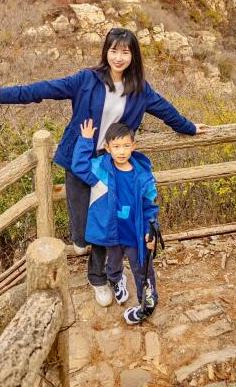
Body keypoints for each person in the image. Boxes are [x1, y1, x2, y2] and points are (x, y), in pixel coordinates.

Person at [0, 27, 208, 307]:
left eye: (125, 52)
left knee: (106, 223)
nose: (118, 57)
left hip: (110, 164)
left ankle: (98, 278)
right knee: (80, 230)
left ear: (133, 56)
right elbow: (44, 89)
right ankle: (82, 242)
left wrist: (189, 128)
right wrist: (3, 94)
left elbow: (166, 111)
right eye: (114, 50)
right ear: (106, 51)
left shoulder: (140, 90)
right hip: (78, 158)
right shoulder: (86, 80)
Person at [72, 119, 159, 324]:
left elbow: (150, 205)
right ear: (107, 147)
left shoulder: (142, 175)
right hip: (111, 231)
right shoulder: (100, 169)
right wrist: (86, 141)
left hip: (135, 233)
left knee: (142, 269)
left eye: (126, 146)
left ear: (133, 146)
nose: (121, 151)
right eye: (116, 146)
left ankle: (147, 305)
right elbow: (79, 166)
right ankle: (116, 279)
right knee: (112, 262)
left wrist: (151, 230)